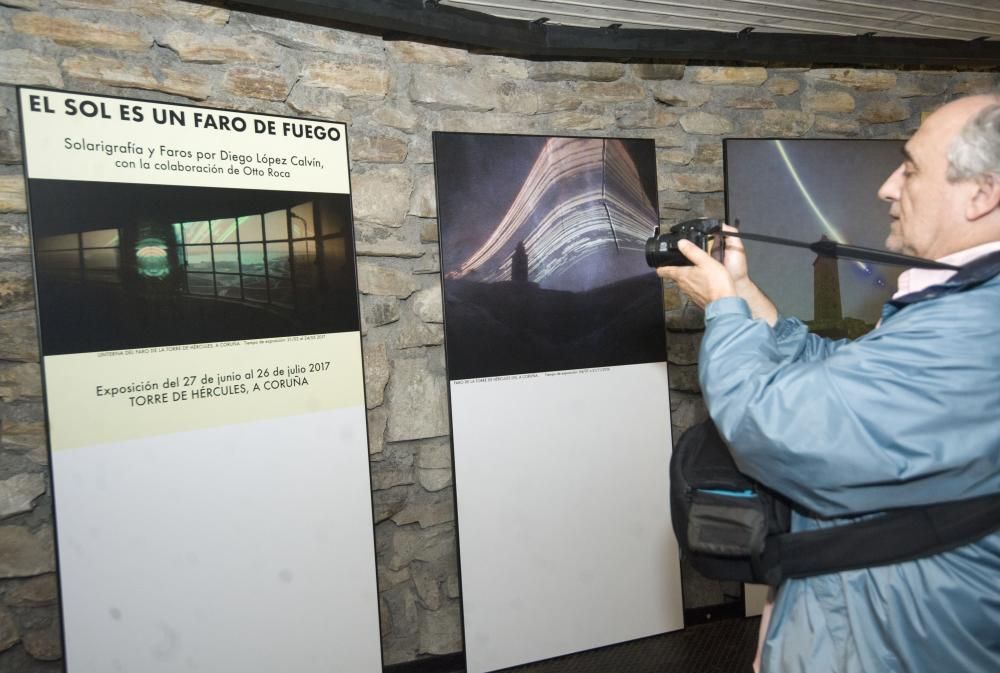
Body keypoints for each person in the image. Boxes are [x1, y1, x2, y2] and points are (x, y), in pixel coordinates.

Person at [657, 94, 1000, 673]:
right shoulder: (963, 305)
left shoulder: (974, 329)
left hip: (894, 644)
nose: (888, 187)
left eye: (911, 168)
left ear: (981, 194)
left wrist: (722, 310)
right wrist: (744, 294)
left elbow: (768, 426)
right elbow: (842, 374)